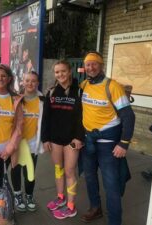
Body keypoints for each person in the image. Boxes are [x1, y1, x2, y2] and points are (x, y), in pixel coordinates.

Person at [80, 51, 135, 225]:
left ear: (101, 65)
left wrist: (124, 144)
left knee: (111, 185)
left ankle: (114, 221)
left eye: (95, 63)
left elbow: (128, 116)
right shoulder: (84, 86)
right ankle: (95, 208)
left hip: (108, 145)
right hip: (88, 142)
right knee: (89, 178)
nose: (91, 67)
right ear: (85, 67)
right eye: (88, 64)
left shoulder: (112, 86)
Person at [41, 60, 85, 219]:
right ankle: (60, 197)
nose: (60, 75)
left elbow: (83, 117)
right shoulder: (51, 92)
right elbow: (45, 118)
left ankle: (71, 206)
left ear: (69, 72)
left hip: (72, 140)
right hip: (54, 139)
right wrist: (45, 139)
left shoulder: (79, 92)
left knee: (69, 171)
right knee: (58, 169)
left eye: (63, 71)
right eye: (57, 72)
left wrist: (80, 137)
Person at [10, 71, 44, 212]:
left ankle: (29, 195)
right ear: (23, 82)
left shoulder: (42, 100)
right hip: (17, 143)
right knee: (16, 169)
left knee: (30, 171)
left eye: (33, 81)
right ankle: (18, 195)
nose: (30, 83)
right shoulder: (16, 99)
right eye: (27, 80)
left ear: (37, 83)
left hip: (32, 142)